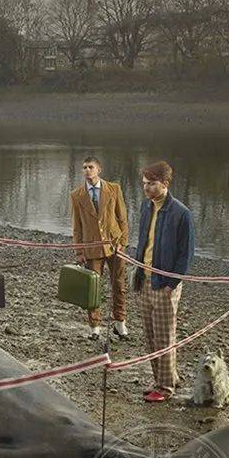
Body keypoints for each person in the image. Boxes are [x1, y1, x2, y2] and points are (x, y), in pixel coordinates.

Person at [133, 161, 194, 403]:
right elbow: (143, 242)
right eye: (144, 184)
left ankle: (166, 387)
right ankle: (163, 379)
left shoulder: (182, 214)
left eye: (151, 184)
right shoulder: (146, 207)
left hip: (165, 284)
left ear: (165, 184)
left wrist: (172, 284)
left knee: (164, 336)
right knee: (150, 335)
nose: (146, 188)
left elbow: (186, 255)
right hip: (144, 279)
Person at [70, 156, 129, 340]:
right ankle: (94, 327)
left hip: (115, 246)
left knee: (119, 285)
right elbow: (77, 226)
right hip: (92, 248)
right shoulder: (77, 195)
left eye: (91, 167)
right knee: (93, 288)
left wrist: (123, 242)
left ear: (99, 169)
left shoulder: (114, 189)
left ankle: (120, 324)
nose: (87, 170)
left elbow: (123, 218)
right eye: (84, 167)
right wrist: (79, 251)